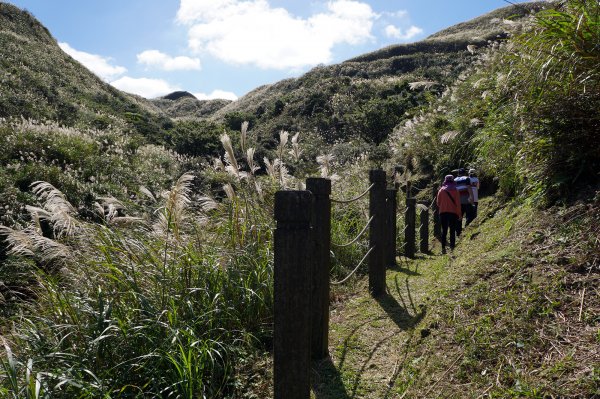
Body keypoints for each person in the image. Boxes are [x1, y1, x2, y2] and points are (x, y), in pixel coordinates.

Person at [436, 175, 461, 254]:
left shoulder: (441, 190)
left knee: (444, 230)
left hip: (443, 212)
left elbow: (438, 203)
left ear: (445, 180)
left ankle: (443, 248)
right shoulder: (456, 190)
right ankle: (452, 247)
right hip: (453, 213)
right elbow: (458, 203)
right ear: (453, 180)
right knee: (452, 230)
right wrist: (459, 213)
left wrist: (443, 206)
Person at [454, 168, 473, 236]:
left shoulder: (454, 180)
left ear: (458, 173)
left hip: (458, 202)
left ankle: (458, 232)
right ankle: (467, 229)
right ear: (465, 173)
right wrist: (471, 196)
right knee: (468, 215)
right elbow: (469, 188)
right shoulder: (467, 178)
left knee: (459, 216)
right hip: (466, 200)